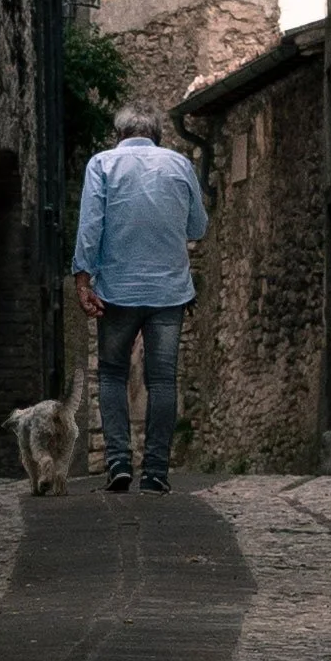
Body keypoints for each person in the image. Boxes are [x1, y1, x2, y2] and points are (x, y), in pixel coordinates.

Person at [71, 106, 208, 495]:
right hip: (169, 293)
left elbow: (90, 225)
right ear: (157, 135)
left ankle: (117, 462)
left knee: (113, 374)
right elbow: (198, 226)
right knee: (163, 379)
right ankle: (156, 472)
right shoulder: (179, 164)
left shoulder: (102, 164)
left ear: (118, 134)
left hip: (118, 291)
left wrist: (83, 279)